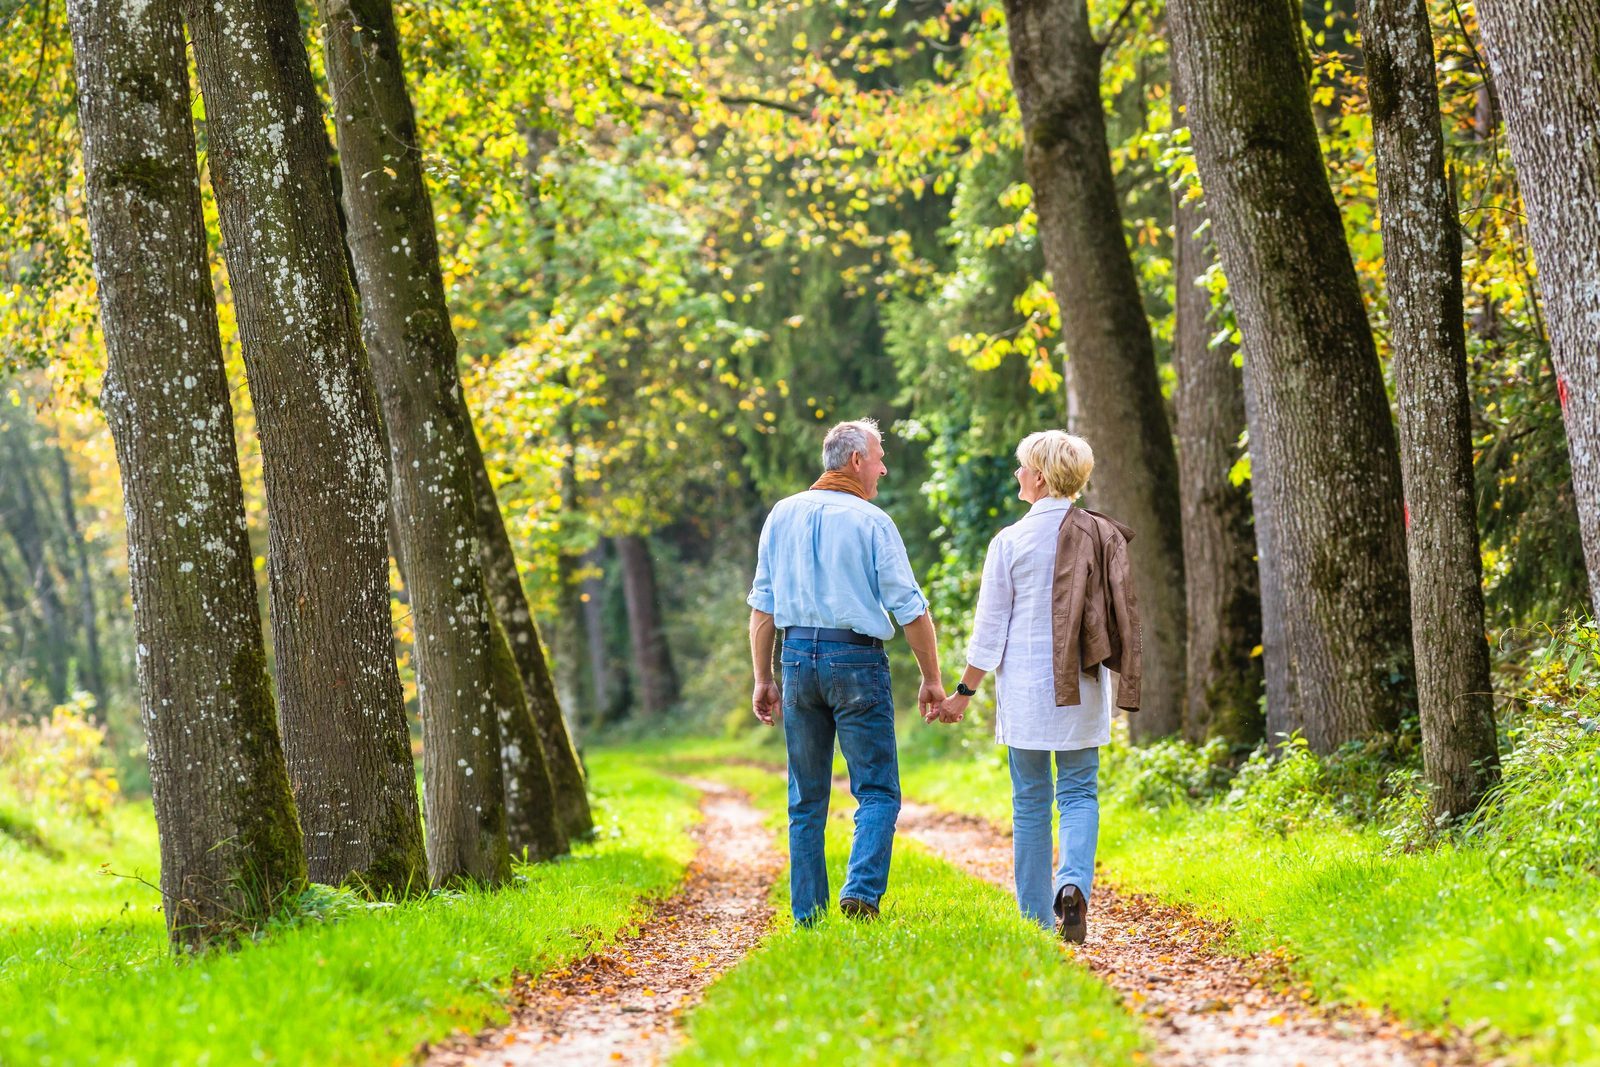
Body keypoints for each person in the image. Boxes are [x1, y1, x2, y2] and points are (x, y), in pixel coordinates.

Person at [937, 430, 1140, 943]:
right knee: (1078, 792)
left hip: (1027, 692)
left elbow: (990, 631)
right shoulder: (1102, 534)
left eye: (1023, 466)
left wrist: (963, 692)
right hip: (1084, 686)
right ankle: (1072, 884)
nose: (1017, 475)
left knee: (1030, 800)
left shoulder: (1010, 541)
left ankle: (1032, 916)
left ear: (1041, 477)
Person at [747, 418, 945, 925]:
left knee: (805, 797)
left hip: (795, 661)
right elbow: (911, 608)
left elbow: (763, 608)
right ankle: (861, 892)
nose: (883, 467)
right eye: (879, 457)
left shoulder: (781, 514)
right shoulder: (871, 520)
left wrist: (763, 678)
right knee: (877, 789)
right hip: (855, 660)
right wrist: (932, 679)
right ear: (856, 461)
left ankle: (808, 917)